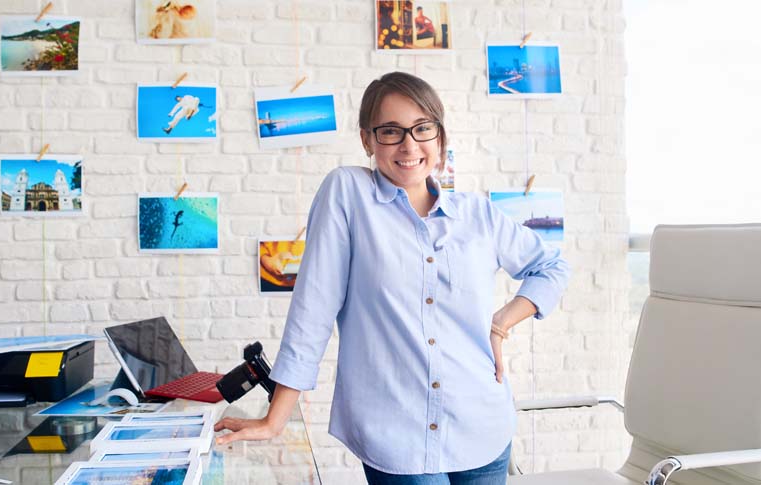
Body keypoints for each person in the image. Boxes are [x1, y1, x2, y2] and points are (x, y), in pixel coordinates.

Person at [213, 71, 569, 484]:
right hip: (396, 436)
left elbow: (553, 266)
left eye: (422, 129)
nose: (409, 145)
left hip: (482, 426)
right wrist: (275, 419)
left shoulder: (478, 214)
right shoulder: (347, 194)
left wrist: (502, 323)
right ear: (367, 139)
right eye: (390, 131)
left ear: (439, 137)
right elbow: (312, 310)